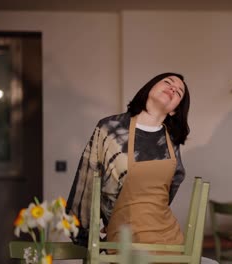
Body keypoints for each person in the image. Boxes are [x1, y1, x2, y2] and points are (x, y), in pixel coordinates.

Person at [66, 72, 190, 247]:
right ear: (149, 88)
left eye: (179, 92)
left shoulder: (171, 141)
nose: (172, 88)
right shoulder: (110, 128)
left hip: (169, 237)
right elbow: (87, 178)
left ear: (174, 110)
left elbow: (171, 187)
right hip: (123, 238)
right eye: (168, 82)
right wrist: (84, 233)